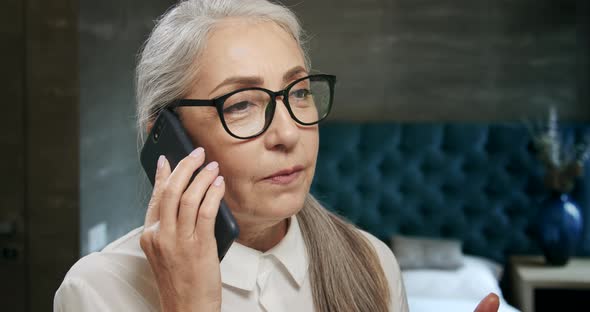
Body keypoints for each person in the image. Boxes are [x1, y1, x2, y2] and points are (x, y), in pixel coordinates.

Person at [54, 1, 501, 311]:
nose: (288, 133)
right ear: (167, 137)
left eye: (299, 92)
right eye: (242, 104)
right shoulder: (97, 291)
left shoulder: (373, 264)